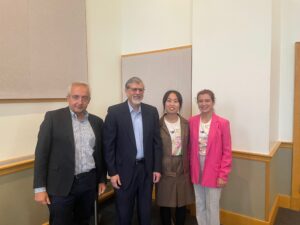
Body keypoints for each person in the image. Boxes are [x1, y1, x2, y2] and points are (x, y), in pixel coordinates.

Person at [33, 82, 107, 225]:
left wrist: (101, 179)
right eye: (76, 97)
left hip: (88, 183)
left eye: (85, 98)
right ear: (68, 98)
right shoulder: (53, 118)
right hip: (60, 185)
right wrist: (39, 188)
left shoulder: (97, 122)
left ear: (89, 100)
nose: (80, 102)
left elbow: (99, 154)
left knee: (84, 220)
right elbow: (42, 154)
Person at [103, 76, 162, 225]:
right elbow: (108, 145)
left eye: (140, 89)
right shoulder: (115, 112)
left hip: (146, 170)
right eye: (133, 89)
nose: (137, 92)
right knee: (124, 213)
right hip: (123, 172)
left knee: (145, 211)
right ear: (126, 91)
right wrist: (113, 173)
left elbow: (157, 143)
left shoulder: (151, 111)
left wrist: (157, 168)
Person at [189, 89, 232, 225]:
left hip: (214, 169)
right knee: (200, 202)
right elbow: (189, 147)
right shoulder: (192, 121)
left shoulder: (223, 123)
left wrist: (223, 175)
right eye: (200, 101)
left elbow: (227, 151)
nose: (204, 104)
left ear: (213, 102)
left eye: (207, 100)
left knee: (212, 206)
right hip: (196, 167)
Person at [156, 90, 194, 225]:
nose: (172, 104)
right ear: (164, 103)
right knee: (165, 203)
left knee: (181, 204)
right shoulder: (157, 124)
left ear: (180, 104)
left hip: (182, 168)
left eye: (176, 101)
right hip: (164, 168)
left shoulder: (186, 124)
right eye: (169, 100)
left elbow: (191, 146)